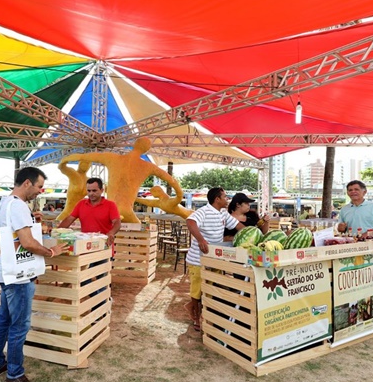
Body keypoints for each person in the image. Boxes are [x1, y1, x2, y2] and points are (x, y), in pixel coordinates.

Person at [0, 167, 67, 382]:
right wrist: (52, 252)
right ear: (28, 183)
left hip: (5, 270)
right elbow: (28, 243)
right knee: (19, 325)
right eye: (40, 186)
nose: (40, 191)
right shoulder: (20, 206)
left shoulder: (4, 203)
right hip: (19, 276)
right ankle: (15, 374)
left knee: (4, 319)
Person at [60, 137, 183, 223]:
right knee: (141, 237)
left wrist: (70, 158)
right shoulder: (148, 167)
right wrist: (179, 193)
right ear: (146, 150)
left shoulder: (112, 158)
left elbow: (91, 156)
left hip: (110, 207)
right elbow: (171, 180)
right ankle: (137, 258)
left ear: (134, 144)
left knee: (107, 234)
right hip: (126, 209)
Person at [185, 187, 244, 331]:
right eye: (225, 197)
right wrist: (201, 240)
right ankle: (197, 318)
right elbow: (190, 222)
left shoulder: (223, 213)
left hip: (214, 259)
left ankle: (204, 315)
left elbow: (238, 225)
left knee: (210, 290)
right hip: (198, 260)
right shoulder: (204, 211)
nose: (227, 199)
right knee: (197, 292)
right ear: (217, 199)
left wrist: (250, 233)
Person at [337, 180, 373, 327]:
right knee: (354, 284)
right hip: (351, 251)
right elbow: (341, 229)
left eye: (356, 189)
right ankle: (355, 318)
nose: (353, 192)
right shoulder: (345, 209)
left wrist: (369, 233)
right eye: (350, 190)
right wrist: (340, 227)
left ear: (364, 192)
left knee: (371, 283)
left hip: (370, 251)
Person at [58, 177, 121, 245]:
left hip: (104, 244)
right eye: (89, 191)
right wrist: (57, 232)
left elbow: (117, 222)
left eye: (94, 191)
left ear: (102, 190)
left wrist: (111, 233)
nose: (91, 193)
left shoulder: (110, 205)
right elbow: (69, 219)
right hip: (85, 245)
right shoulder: (81, 204)